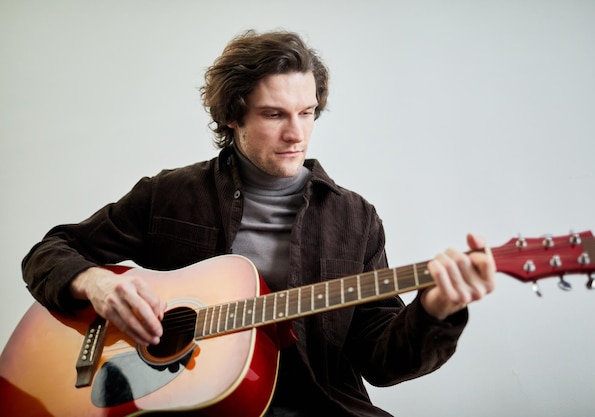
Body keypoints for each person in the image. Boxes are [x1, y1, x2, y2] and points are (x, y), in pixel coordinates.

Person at [22, 30, 496, 416]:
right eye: (274, 115)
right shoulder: (169, 194)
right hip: (185, 407)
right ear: (232, 116)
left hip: (319, 405)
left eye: (307, 113)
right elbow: (50, 250)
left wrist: (435, 312)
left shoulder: (355, 219)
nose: (297, 134)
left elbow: (380, 360)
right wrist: (94, 282)